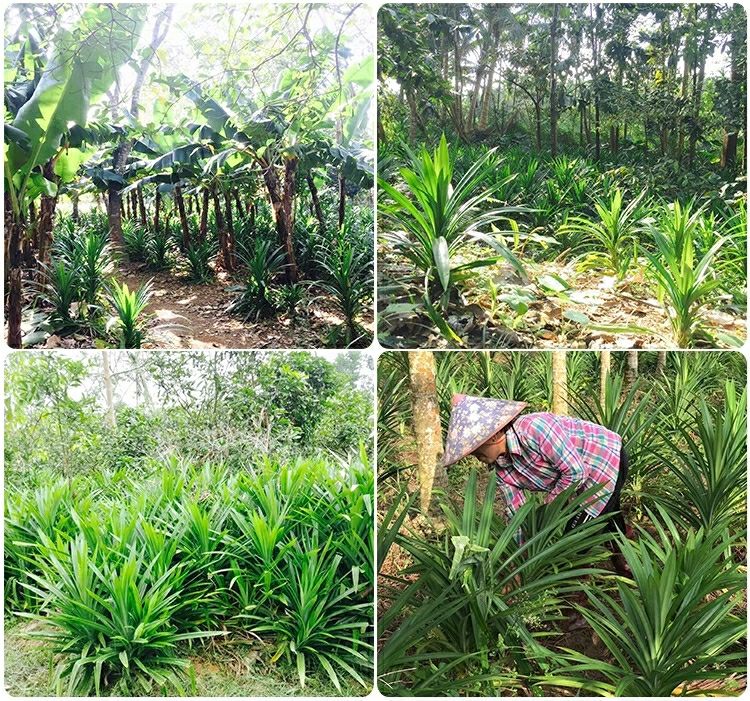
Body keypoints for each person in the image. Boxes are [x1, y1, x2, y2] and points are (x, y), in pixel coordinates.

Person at [442, 393, 631, 576]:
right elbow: (515, 513)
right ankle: (626, 561)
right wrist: (519, 557)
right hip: (581, 475)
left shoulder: (534, 429)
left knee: (574, 541)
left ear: (493, 436)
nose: (477, 458)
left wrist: (550, 505)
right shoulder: (502, 470)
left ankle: (572, 600)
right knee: (608, 514)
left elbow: (576, 472)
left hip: (604, 459)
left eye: (477, 451)